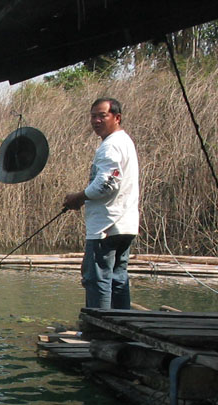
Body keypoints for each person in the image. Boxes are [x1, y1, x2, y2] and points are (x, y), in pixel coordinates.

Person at [63, 97, 139, 309]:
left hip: (107, 226)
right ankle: (121, 329)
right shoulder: (125, 141)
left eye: (102, 115)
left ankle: (99, 333)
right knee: (118, 278)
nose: (96, 120)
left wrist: (78, 198)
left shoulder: (111, 146)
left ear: (117, 117)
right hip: (125, 224)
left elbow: (106, 185)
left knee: (98, 280)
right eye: (93, 116)